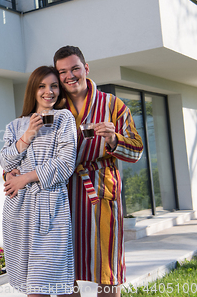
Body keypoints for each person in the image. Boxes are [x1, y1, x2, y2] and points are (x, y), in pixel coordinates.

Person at [53, 46, 144, 297]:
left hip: (100, 193)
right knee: (65, 272)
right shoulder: (53, 107)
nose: (69, 76)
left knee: (107, 270)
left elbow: (137, 150)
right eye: (62, 72)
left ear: (86, 68)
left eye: (74, 68)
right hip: (62, 197)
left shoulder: (113, 105)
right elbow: (33, 146)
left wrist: (114, 139)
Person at [0, 66, 77, 296]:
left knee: (45, 285)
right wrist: (28, 135)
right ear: (33, 90)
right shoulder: (15, 126)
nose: (49, 91)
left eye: (54, 86)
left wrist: (24, 178)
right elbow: (5, 162)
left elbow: (65, 164)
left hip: (51, 209)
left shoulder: (64, 118)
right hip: (19, 211)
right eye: (42, 86)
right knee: (39, 286)